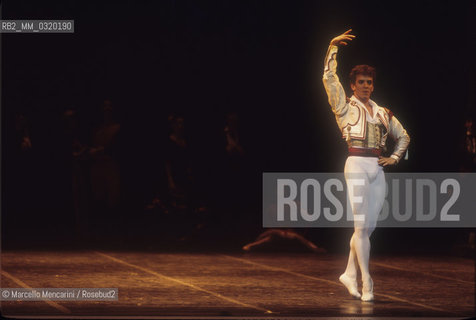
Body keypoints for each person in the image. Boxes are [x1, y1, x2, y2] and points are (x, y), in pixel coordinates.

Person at [322, 29, 410, 301]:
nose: (366, 86)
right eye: (361, 82)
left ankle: (348, 273)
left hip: (377, 168)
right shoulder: (345, 106)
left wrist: (394, 157)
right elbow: (328, 77)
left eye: (369, 82)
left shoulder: (383, 111)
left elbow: (405, 136)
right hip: (356, 164)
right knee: (361, 226)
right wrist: (332, 48)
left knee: (368, 228)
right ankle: (366, 281)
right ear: (353, 85)